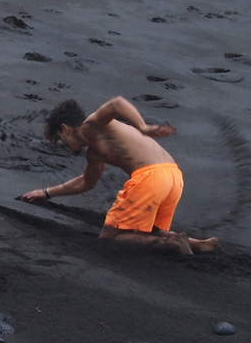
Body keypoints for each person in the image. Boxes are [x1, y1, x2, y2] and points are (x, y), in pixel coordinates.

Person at [19, 97, 218, 255]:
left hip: (150, 177)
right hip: (173, 176)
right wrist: (46, 193)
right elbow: (86, 182)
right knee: (148, 232)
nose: (64, 145)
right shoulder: (94, 152)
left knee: (109, 239)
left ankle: (173, 242)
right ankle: (199, 244)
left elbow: (117, 104)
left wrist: (143, 127)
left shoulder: (89, 126)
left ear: (65, 128)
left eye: (61, 139)